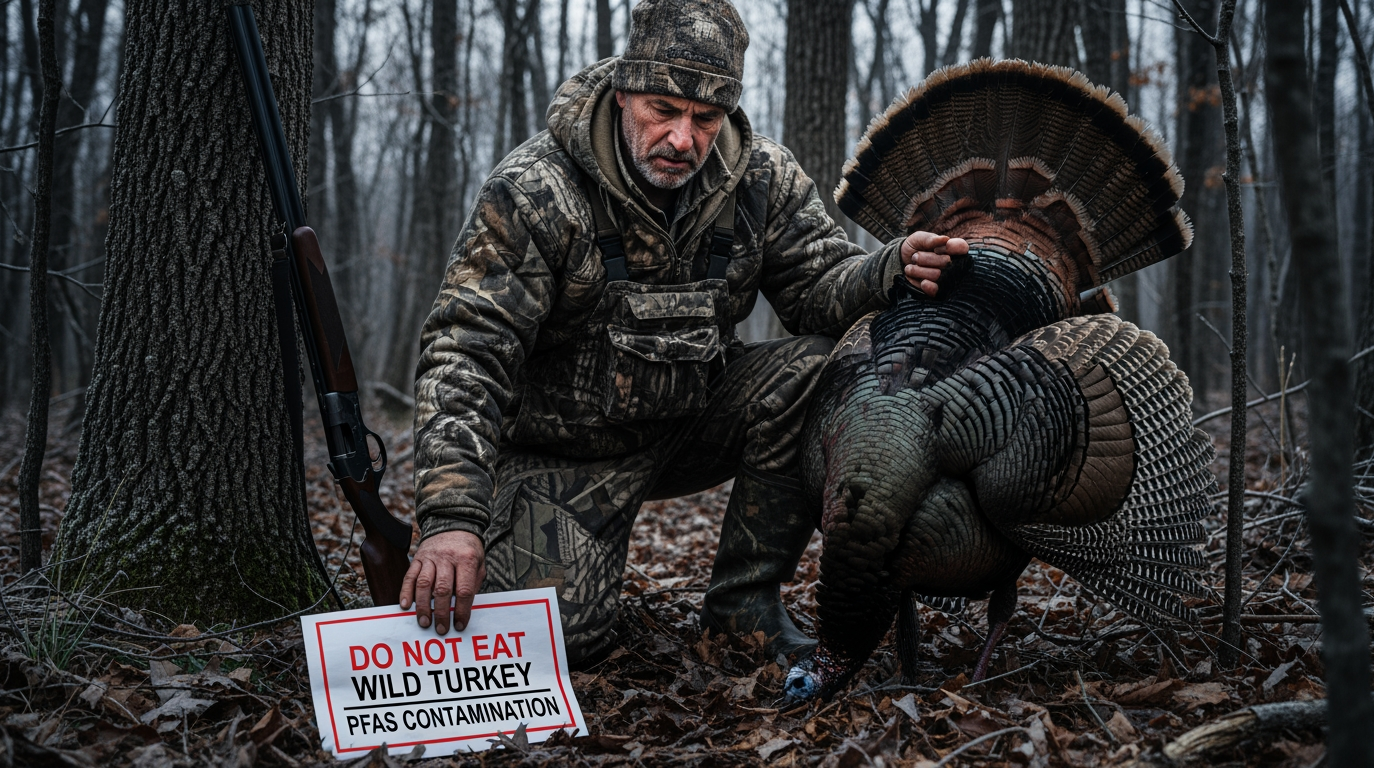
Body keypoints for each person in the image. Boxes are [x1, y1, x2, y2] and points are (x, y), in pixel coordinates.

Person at [401, 0, 966, 665]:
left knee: (818, 365)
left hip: (692, 423)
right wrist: (451, 517)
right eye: (662, 111)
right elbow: (466, 351)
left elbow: (817, 287)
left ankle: (742, 603)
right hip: (562, 456)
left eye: (705, 118)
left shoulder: (761, 178)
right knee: (556, 648)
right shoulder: (536, 191)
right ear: (623, 94)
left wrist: (888, 268)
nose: (683, 140)